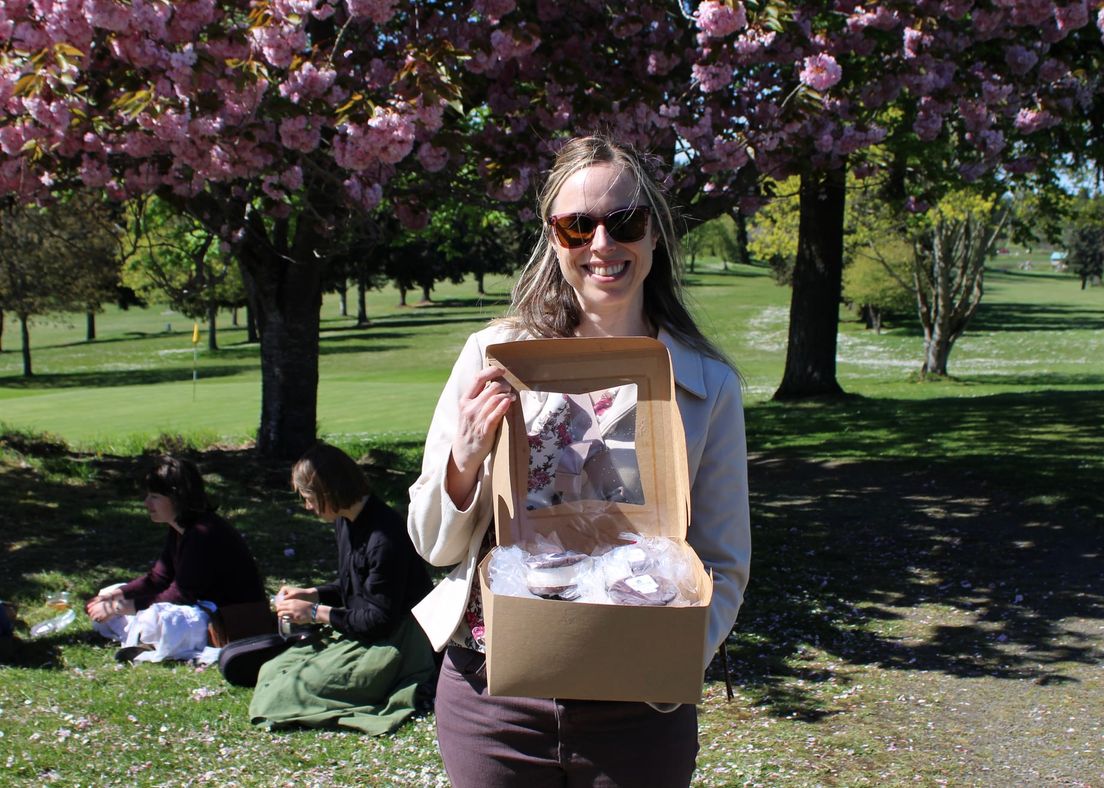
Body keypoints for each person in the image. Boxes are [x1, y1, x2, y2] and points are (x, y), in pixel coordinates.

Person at [407, 135, 751, 786]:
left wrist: (668, 665)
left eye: (624, 221)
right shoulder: (492, 358)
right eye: (577, 225)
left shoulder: (708, 385)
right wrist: (465, 460)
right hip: (493, 698)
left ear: (654, 234)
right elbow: (431, 543)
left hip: (639, 713)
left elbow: (725, 563)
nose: (602, 244)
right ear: (553, 236)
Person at [249, 442, 436, 736]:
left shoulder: (384, 537)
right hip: (363, 629)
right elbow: (353, 587)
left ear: (328, 491)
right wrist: (311, 593)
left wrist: (313, 612)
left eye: (309, 498)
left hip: (395, 643)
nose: (307, 507)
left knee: (289, 691)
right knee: (272, 671)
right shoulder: (346, 522)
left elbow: (378, 619)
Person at [86, 455, 267, 661]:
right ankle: (144, 638)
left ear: (177, 498)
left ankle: (147, 640)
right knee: (110, 592)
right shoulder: (180, 529)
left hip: (229, 620)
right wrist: (114, 597)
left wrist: (119, 607)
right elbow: (158, 578)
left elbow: (180, 595)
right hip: (202, 610)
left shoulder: (204, 533)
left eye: (154, 496)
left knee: (162, 617)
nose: (147, 503)